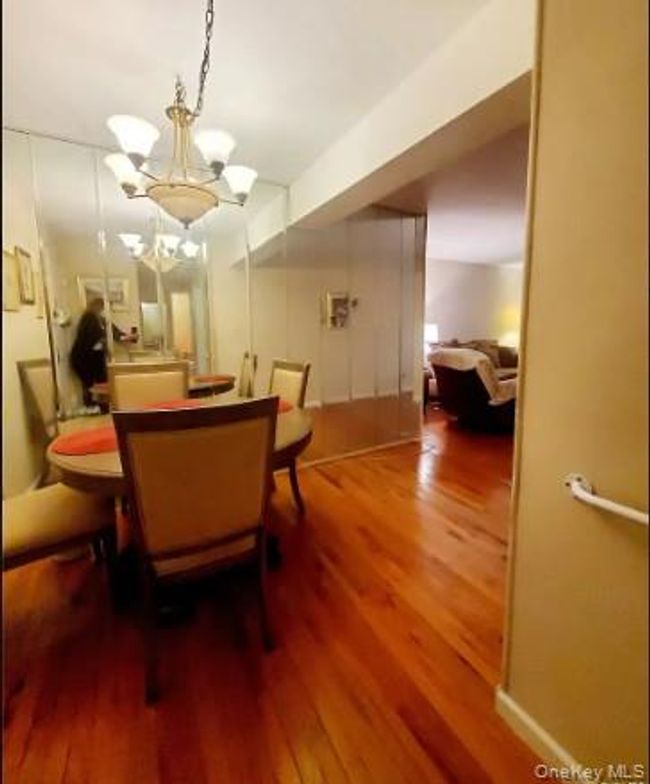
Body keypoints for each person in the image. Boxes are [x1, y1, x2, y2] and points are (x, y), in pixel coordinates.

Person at [70, 297, 137, 407]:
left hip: (93, 356)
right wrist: (104, 343)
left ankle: (100, 407)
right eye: (104, 307)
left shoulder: (101, 319)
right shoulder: (88, 317)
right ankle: (96, 407)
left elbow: (116, 335)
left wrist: (128, 337)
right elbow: (91, 339)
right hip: (83, 357)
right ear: (98, 306)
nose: (106, 310)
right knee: (93, 384)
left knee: (100, 381)